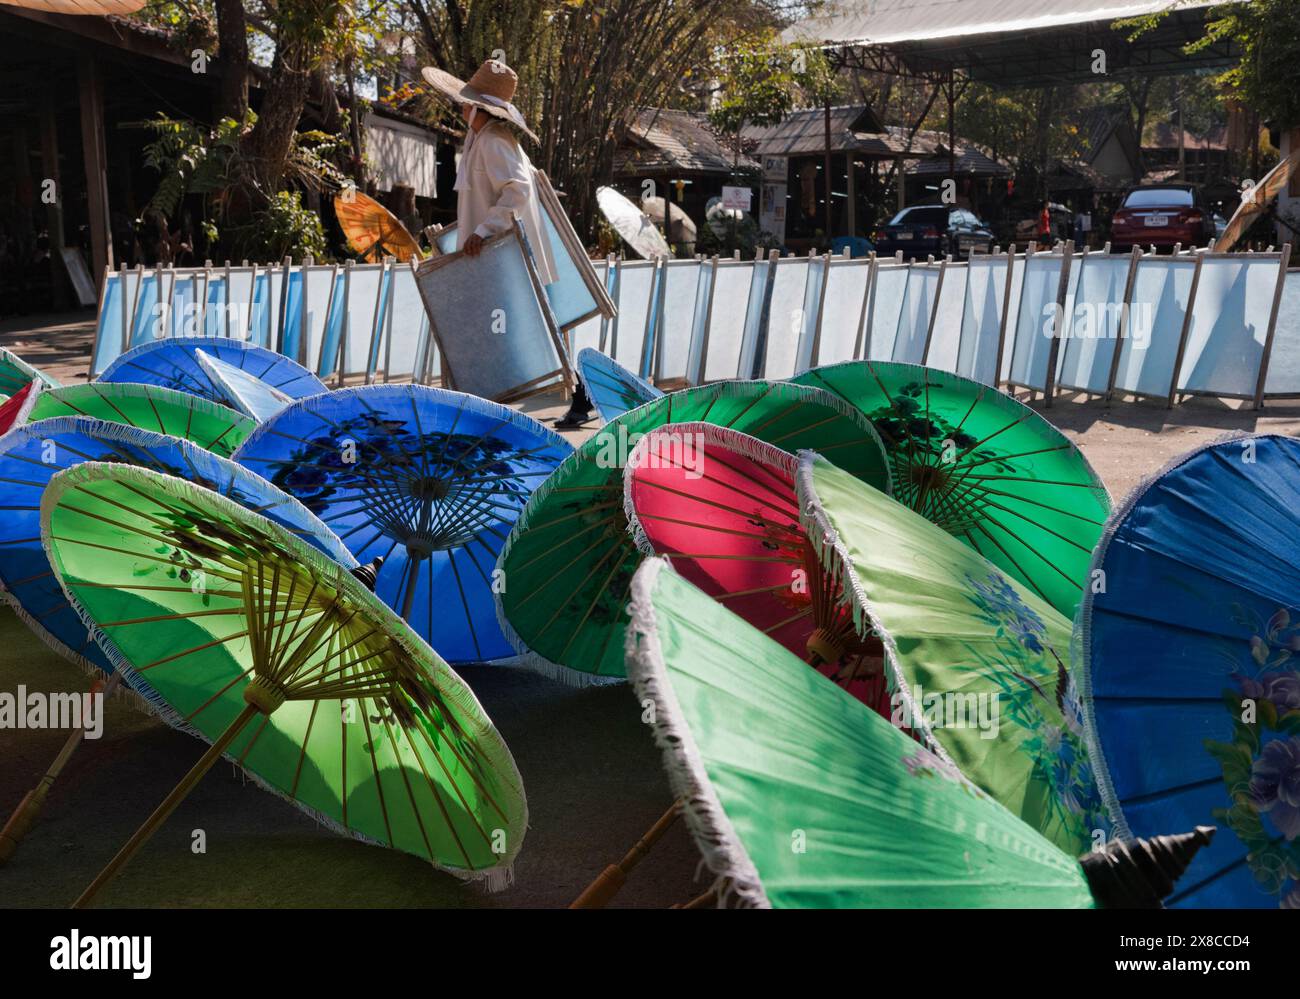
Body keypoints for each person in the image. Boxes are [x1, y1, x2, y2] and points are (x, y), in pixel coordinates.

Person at [422, 59, 593, 429]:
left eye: (467, 103)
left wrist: (482, 232)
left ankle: (579, 392)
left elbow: (516, 191)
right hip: (493, 254)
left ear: (480, 108)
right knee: (517, 325)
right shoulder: (479, 139)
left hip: (506, 252)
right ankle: (496, 405)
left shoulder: (496, 141)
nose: (463, 108)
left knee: (532, 324)